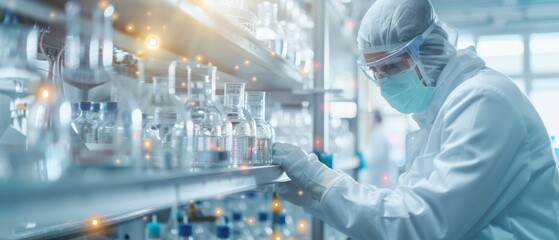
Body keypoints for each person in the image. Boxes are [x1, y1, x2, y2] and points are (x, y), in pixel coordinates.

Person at [272, 0, 559, 238]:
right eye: (377, 71)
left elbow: (422, 222)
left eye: (394, 65)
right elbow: (406, 207)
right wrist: (315, 195)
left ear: (431, 49)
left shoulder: (482, 100)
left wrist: (320, 181)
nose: (385, 81)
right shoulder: (441, 110)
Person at [359, 110, 396, 188]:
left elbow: (377, 157)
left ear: (375, 119)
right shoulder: (379, 132)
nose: (368, 120)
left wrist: (364, 157)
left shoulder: (378, 134)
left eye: (370, 118)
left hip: (379, 175)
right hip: (380, 174)